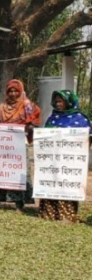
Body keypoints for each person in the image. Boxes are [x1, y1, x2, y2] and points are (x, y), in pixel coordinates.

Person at [38, 90, 91, 223]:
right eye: (56, 101)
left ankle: (66, 215)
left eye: (60, 101)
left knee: (67, 185)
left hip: (70, 163)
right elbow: (44, 138)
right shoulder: (52, 117)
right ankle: (48, 213)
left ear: (68, 102)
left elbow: (87, 139)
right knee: (52, 182)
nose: (57, 104)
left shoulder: (81, 119)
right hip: (52, 161)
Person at [0, 79, 42, 212]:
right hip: (2, 145)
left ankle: (19, 203)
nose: (13, 93)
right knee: (0, 171)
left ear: (20, 91)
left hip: (19, 144)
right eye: (10, 91)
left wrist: (27, 128)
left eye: (15, 91)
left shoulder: (27, 105)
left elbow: (35, 122)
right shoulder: (1, 107)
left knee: (18, 172)